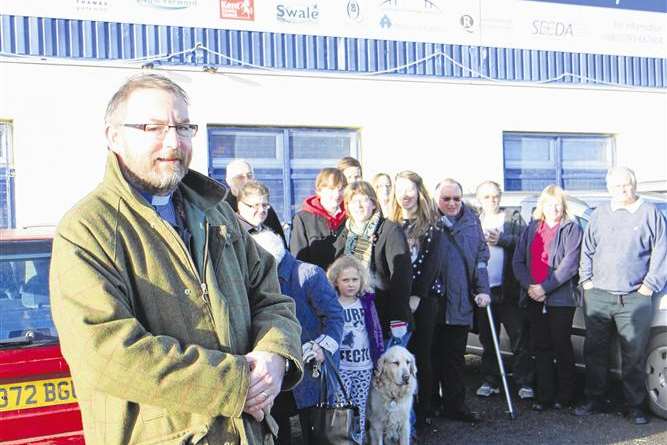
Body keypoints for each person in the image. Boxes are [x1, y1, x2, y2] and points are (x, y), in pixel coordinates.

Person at [49, 74, 303, 445]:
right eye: (152, 127)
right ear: (113, 136)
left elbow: (271, 294)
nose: (173, 141)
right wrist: (236, 383)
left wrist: (275, 355)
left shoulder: (215, 214)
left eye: (183, 127)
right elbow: (105, 351)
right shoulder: (89, 228)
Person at [576, 167, 667, 425]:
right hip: (599, 295)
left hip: (635, 298)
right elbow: (587, 249)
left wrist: (649, 286)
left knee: (634, 355)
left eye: (626, 185)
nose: (622, 190)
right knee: (595, 351)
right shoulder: (599, 214)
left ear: (634, 184)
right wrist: (587, 281)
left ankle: (635, 406)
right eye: (616, 186)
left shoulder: (650, 213)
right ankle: (595, 399)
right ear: (609, 188)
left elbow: (662, 252)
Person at [250, 230, 344, 445]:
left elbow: (335, 316)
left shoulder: (308, 274)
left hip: (311, 370)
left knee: (317, 434)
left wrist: (323, 347)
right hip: (275, 369)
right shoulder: (256, 280)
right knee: (278, 430)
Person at [512, 185, 582, 412]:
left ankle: (566, 395)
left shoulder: (572, 229)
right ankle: (544, 396)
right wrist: (530, 286)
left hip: (561, 300)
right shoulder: (532, 228)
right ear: (542, 206)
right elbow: (518, 262)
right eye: (550, 204)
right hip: (533, 296)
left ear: (564, 206)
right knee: (540, 347)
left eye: (558, 205)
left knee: (561, 345)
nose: (554, 209)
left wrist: (545, 288)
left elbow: (569, 267)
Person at [432, 178, 490, 423]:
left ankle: (456, 406)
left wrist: (483, 289)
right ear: (437, 200)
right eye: (446, 199)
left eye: (457, 198)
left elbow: (480, 257)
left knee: (456, 358)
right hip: (433, 302)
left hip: (460, 301)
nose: (453, 203)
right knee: (431, 356)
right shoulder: (428, 220)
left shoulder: (471, 221)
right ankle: (430, 405)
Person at [389, 170, 443, 429]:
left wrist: (416, 295)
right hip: (396, 300)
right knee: (395, 355)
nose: (404, 195)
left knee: (421, 355)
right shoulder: (390, 223)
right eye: (399, 189)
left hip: (424, 300)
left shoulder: (432, 224)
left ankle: (423, 411)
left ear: (419, 192)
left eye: (409, 189)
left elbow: (433, 263)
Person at [474, 181, 535, 400]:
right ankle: (490, 381)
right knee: (488, 339)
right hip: (484, 290)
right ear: (479, 199)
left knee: (519, 337)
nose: (492, 200)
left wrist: (503, 240)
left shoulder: (512, 218)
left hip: (508, 289)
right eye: (487, 196)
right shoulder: (474, 221)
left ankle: (524, 382)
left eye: (495, 196)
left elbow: (527, 244)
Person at [340, 181, 413, 342]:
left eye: (364, 200)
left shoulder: (389, 230)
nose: (358, 206)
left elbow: (401, 276)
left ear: (373, 203)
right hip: (352, 316)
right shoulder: (345, 233)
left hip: (384, 315)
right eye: (353, 201)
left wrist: (398, 317)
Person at [327, 255, 384, 444]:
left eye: (354, 280)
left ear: (361, 281)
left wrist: (379, 360)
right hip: (341, 368)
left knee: (359, 408)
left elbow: (375, 332)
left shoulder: (366, 304)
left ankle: (357, 440)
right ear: (336, 281)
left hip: (363, 368)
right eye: (345, 280)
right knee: (341, 409)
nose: (350, 284)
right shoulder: (332, 305)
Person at [290, 168, 347, 270]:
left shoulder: (350, 217)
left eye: (341, 189)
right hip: (315, 283)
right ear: (319, 191)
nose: (337, 194)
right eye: (331, 189)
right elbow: (297, 259)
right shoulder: (303, 219)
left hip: (347, 283)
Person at [225, 158, 287, 245]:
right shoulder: (221, 209)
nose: (246, 180)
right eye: (240, 177)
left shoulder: (264, 209)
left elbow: (280, 244)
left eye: (249, 176)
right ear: (229, 181)